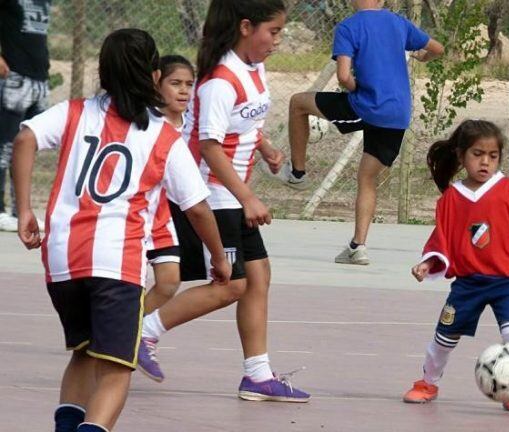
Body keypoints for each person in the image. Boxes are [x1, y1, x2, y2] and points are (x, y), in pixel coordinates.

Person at [11, 29, 230, 432]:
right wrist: (218, 257)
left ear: (103, 71)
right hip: (116, 264)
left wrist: (25, 209)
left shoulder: (75, 111)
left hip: (61, 261)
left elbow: (25, 138)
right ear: (153, 76)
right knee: (114, 371)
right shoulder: (163, 134)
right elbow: (197, 208)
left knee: (84, 354)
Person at [137, 0, 311, 402]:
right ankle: (143, 333)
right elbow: (208, 145)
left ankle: (257, 374)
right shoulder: (219, 80)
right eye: (275, 31)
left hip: (230, 194)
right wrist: (247, 197)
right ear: (247, 27)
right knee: (231, 285)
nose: (278, 40)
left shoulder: (253, 68)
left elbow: (246, 118)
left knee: (259, 276)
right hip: (213, 195)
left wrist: (264, 145)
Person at [270, 0, 444, 265]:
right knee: (367, 178)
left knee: (298, 103)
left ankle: (298, 174)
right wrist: (422, 56)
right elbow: (437, 49)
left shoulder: (349, 27)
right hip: (398, 115)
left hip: (366, 105)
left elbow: (342, 75)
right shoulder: (398, 23)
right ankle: (357, 247)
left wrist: (355, 88)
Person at [401, 120, 509, 413]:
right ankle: (427, 382)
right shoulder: (451, 198)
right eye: (477, 154)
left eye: (493, 155)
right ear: (461, 156)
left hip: (507, 282)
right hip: (468, 284)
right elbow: (441, 237)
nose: (485, 161)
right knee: (443, 339)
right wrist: (428, 262)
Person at [143, 55, 196, 318]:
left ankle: (126, 331)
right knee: (128, 284)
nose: (184, 90)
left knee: (168, 282)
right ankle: (116, 334)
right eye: (176, 83)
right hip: (140, 211)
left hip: (169, 214)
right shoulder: (147, 124)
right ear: (156, 84)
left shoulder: (192, 124)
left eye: (189, 83)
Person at [0, 0, 52, 231]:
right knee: (4, 147)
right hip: (14, 77)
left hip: (39, 79)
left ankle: (19, 212)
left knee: (27, 149)